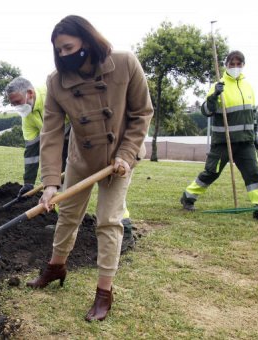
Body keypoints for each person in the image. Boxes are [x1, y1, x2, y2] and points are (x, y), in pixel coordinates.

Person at [27, 15, 153, 323]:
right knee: (67, 214)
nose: (65, 55)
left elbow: (141, 113)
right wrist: (51, 183)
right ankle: (56, 267)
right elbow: (52, 133)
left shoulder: (124, 63)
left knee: (109, 222)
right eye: (59, 50)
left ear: (86, 39)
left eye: (69, 47)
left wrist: (125, 153)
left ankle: (103, 292)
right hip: (81, 159)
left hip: (118, 161)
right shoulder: (56, 82)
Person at [5, 76, 138, 251]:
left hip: (89, 139)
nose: (16, 107)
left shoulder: (53, 94)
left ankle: (125, 228)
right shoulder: (28, 118)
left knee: (110, 184)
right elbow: (31, 152)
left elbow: (82, 119)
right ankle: (65, 227)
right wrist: (29, 182)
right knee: (60, 184)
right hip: (61, 145)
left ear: (29, 93)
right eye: (13, 104)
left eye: (17, 102)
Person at [180, 51, 258, 223]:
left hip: (245, 141)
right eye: (232, 64)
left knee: (254, 174)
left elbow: (252, 114)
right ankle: (188, 197)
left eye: (238, 64)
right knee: (211, 172)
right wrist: (214, 96)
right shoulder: (218, 86)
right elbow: (206, 111)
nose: (235, 67)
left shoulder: (248, 87)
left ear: (243, 65)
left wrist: (254, 134)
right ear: (226, 65)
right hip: (223, 141)